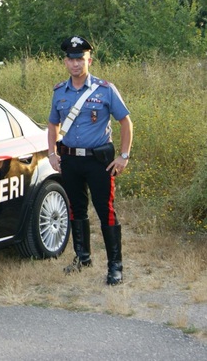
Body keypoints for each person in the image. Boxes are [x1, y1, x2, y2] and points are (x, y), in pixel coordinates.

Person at [47, 36, 133, 285]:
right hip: (71, 161)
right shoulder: (59, 92)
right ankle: (82, 257)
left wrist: (124, 155)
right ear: (65, 62)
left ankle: (115, 266)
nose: (76, 64)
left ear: (89, 61)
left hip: (99, 162)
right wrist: (52, 152)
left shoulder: (105, 90)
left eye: (81, 59)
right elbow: (53, 123)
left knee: (105, 211)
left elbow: (125, 122)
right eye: (72, 59)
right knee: (75, 208)